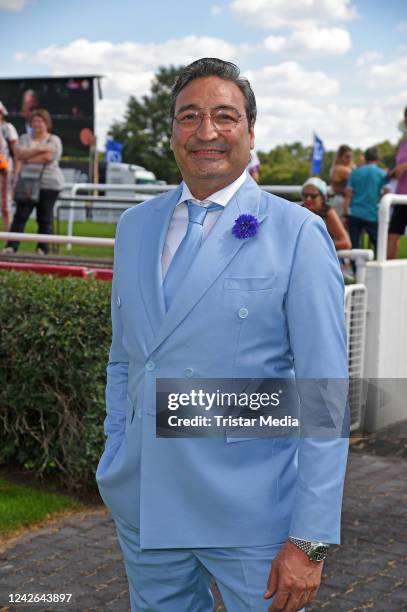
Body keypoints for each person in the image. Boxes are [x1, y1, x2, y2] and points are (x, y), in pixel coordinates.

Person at [96, 58, 349, 612]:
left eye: (224, 116)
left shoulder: (297, 233)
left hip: (252, 515)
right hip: (144, 503)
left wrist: (309, 539)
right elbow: (126, 357)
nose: (206, 132)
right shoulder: (133, 228)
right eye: (190, 116)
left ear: (250, 132)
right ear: (171, 133)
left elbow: (323, 394)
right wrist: (116, 450)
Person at [3, 109, 64, 255]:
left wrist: (28, 156)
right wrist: (39, 150)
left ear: (46, 123)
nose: (37, 124)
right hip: (27, 184)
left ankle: (42, 248)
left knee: (44, 218)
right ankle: (11, 246)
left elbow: (48, 157)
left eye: (40, 121)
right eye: (34, 121)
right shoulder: (24, 138)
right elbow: (18, 154)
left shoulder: (54, 139)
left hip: (49, 184)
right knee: (20, 216)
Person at [343, 146, 390, 253]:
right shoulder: (382, 174)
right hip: (372, 214)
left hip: (354, 213)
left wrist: (345, 214)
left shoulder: (355, 173)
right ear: (378, 158)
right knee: (379, 245)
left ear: (366, 157)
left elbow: (348, 195)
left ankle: (355, 269)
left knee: (355, 246)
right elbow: (387, 191)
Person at [302, 177, 351, 251]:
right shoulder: (299, 210)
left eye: (313, 196)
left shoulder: (328, 213)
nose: (308, 199)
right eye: (305, 195)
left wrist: (317, 246)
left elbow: (346, 243)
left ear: (322, 198)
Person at [387, 106, 407, 259]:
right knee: (392, 235)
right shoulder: (403, 144)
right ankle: (390, 276)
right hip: (401, 195)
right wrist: (394, 172)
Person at [0, 101, 18, 230]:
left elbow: (16, 152)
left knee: (6, 206)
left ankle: (10, 241)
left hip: (4, 171)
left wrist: (16, 172)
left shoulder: (7, 128)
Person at [328, 144, 353, 216]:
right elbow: (358, 177)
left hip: (339, 200)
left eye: (351, 156)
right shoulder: (341, 169)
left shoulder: (336, 168)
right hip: (341, 202)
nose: (350, 159)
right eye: (347, 156)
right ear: (340, 157)